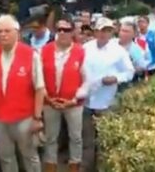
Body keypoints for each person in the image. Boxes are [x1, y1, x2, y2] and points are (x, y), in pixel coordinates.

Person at [0, 14, 45, 172]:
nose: (2, 35)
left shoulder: (30, 54)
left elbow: (40, 88)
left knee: (30, 156)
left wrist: (37, 117)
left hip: (24, 119)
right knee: (5, 158)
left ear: (17, 32)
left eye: (7, 31)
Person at [82, 17, 134, 172]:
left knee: (105, 141)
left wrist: (116, 78)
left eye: (108, 31)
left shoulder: (118, 51)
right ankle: (86, 168)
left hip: (106, 103)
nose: (104, 34)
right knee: (87, 141)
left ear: (112, 32)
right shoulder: (86, 48)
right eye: (101, 30)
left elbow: (129, 72)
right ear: (95, 31)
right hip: (86, 101)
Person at [41, 15, 88, 172]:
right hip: (49, 102)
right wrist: (47, 97)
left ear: (72, 32)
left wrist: (75, 100)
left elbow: (87, 80)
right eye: (59, 29)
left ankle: (74, 166)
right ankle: (50, 167)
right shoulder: (44, 51)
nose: (62, 33)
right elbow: (38, 78)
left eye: (66, 30)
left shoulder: (81, 52)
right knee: (50, 137)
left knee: (75, 137)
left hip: (73, 104)